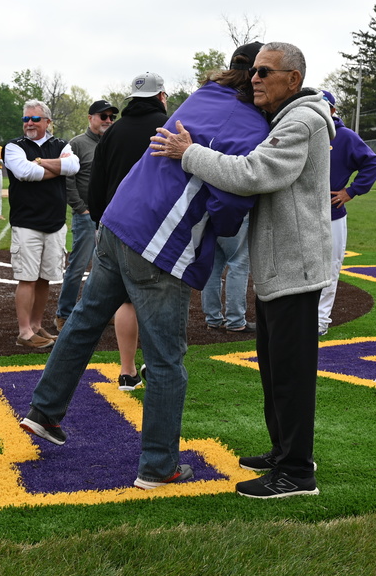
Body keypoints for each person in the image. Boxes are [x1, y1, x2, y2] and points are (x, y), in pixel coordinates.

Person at [20, 63, 266, 489]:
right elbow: (228, 204)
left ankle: (44, 410)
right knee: (167, 359)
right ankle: (157, 464)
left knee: (83, 322)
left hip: (118, 222)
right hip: (157, 240)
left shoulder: (204, 96)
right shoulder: (251, 122)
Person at [152, 41, 334, 499]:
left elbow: (255, 173)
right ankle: (283, 452)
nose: (254, 78)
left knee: (291, 376)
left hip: (295, 268)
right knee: (275, 371)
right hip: (279, 267)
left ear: (293, 79)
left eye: (265, 72)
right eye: (252, 71)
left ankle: (297, 472)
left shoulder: (303, 120)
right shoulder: (284, 118)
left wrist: (188, 152)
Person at [87, 74, 172, 389]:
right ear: (161, 96)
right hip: (158, 227)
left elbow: (95, 185)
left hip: (115, 225)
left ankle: (127, 370)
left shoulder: (113, 131)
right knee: (160, 298)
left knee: (125, 301)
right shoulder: (171, 126)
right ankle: (157, 364)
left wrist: (100, 219)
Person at [3, 100, 79, 348]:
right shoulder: (14, 146)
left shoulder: (61, 144)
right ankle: (24, 332)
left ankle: (36, 325)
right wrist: (57, 167)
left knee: (46, 278)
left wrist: (42, 163)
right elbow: (25, 173)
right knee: (27, 278)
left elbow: (73, 166)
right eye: (26, 119)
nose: (30, 124)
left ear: (47, 122)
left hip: (55, 223)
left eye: (35, 119)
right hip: (27, 222)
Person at [200, 45, 265, 335]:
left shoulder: (210, 97)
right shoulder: (251, 109)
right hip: (232, 197)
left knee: (214, 263)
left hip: (206, 198)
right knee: (238, 263)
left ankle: (213, 318)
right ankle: (236, 320)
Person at [318, 90, 376, 335]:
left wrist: (351, 191)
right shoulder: (302, 132)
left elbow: (372, 164)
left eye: (325, 107)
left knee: (331, 267)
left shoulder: (344, 136)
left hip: (332, 213)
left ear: (333, 111)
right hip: (299, 214)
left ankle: (320, 321)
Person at [54, 99, 117, 330]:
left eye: (112, 117)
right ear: (90, 118)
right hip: (87, 215)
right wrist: (81, 207)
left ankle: (102, 312)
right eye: (103, 116)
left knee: (108, 268)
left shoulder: (112, 142)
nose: (108, 121)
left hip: (110, 216)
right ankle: (63, 314)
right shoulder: (77, 144)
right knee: (78, 266)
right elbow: (67, 179)